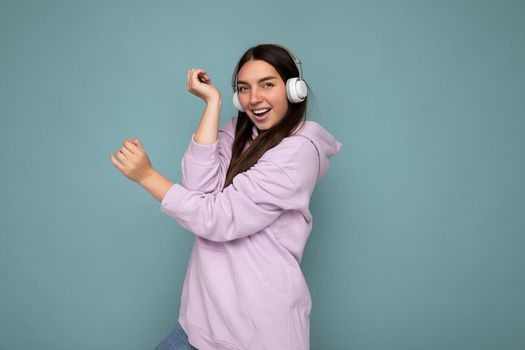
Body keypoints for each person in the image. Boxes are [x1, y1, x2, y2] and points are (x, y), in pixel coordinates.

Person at [109, 43, 342, 350]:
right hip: (199, 322)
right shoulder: (239, 132)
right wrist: (212, 103)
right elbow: (197, 190)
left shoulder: (299, 153)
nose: (254, 98)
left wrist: (147, 176)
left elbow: (216, 218)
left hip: (257, 335)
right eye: (243, 88)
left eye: (267, 85)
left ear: (294, 89)